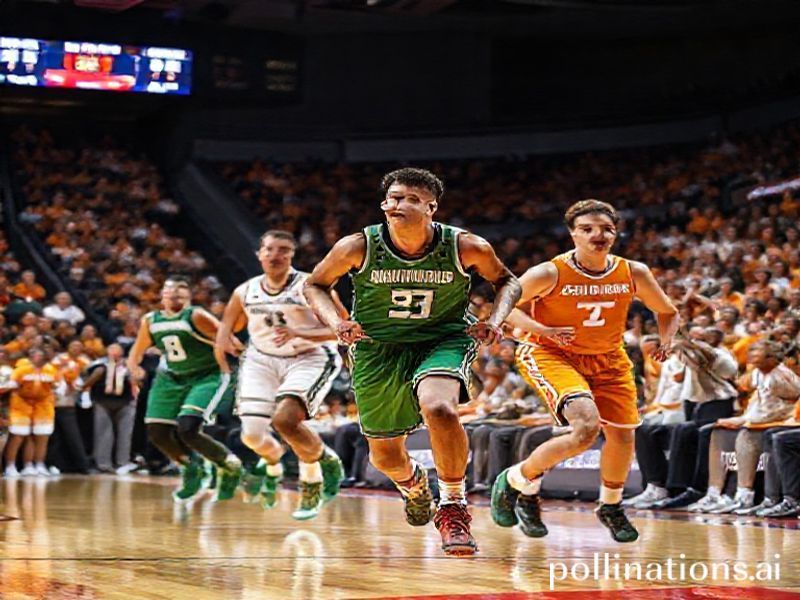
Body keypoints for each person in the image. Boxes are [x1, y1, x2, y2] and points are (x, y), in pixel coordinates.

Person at [304, 167, 521, 556]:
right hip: (377, 348)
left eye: (410, 199)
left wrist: (495, 319)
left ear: (431, 207)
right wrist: (337, 321)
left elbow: (509, 281)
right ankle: (414, 485)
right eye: (393, 197)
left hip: (443, 338)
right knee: (386, 457)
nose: (398, 204)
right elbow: (315, 284)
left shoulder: (466, 246)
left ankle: (453, 506)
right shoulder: (356, 246)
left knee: (439, 408)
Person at [492, 199, 679, 543]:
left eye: (606, 229)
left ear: (616, 233)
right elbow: (504, 304)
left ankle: (609, 505)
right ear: (572, 234)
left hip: (608, 358)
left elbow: (668, 312)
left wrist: (666, 340)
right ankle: (516, 480)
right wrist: (542, 329)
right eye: (588, 229)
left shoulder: (633, 271)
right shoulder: (549, 272)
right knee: (586, 428)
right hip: (551, 353)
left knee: (623, 435)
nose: (599, 235)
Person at [216, 230, 346, 520]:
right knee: (250, 436)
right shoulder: (245, 291)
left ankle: (313, 478)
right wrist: (224, 341)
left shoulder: (311, 285)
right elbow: (226, 325)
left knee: (286, 420)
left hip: (309, 356)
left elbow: (343, 329)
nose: (276, 255)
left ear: (292, 256)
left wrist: (300, 331)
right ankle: (273, 465)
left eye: (284, 250)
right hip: (261, 360)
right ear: (259, 254)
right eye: (270, 249)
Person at [127, 279, 242, 502]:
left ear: (188, 297)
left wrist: (234, 349)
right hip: (170, 378)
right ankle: (191, 467)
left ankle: (228, 464)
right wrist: (134, 368)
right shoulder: (150, 320)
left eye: (179, 291)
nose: (174, 294)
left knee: (187, 428)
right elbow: (137, 350)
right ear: (162, 296)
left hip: (205, 376)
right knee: (156, 431)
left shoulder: (197, 315)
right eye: (169, 290)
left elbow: (229, 338)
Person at [2, 348, 63, 477]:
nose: (41, 357)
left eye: (42, 355)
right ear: (31, 357)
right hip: (21, 405)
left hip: (43, 406)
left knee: (41, 436)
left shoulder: (51, 370)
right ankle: (11, 465)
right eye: (38, 355)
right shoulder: (21, 370)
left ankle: (38, 464)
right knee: (18, 436)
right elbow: (11, 386)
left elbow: (58, 386)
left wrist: (57, 392)